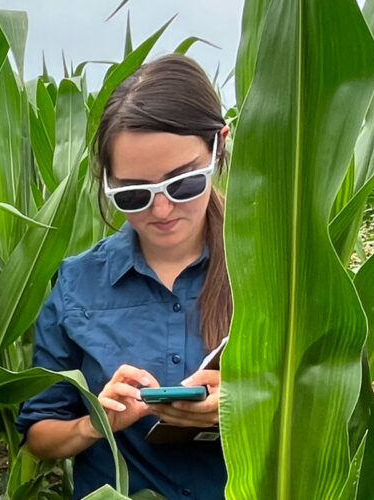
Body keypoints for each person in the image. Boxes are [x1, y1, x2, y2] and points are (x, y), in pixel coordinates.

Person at [15, 54, 231, 499]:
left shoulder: (273, 270)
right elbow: (40, 435)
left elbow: (331, 400)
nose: (162, 210)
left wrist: (239, 406)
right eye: (134, 194)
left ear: (218, 146)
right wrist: (97, 422)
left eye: (183, 183)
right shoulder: (77, 284)